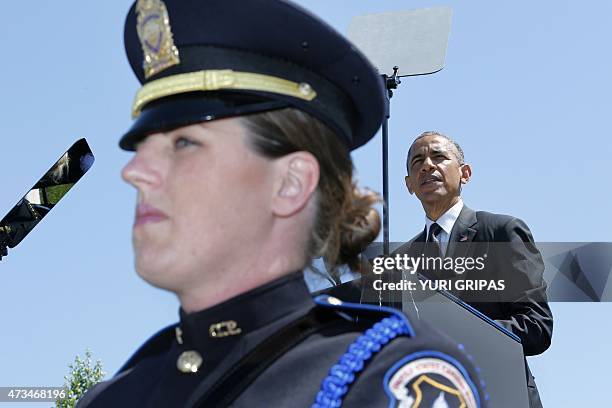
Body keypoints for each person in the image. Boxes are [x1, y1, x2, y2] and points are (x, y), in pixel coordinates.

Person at [77, 1, 489, 407]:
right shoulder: (111, 397)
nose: (135, 171)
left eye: (184, 144)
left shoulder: (386, 380)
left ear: (291, 184)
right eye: (142, 147)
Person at [395, 131, 553, 408]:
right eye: (417, 161)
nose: (427, 165)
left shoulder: (501, 232)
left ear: (465, 173)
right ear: (409, 184)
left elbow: (536, 327)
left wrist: (456, 334)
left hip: (501, 395)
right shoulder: (402, 260)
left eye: (439, 157)